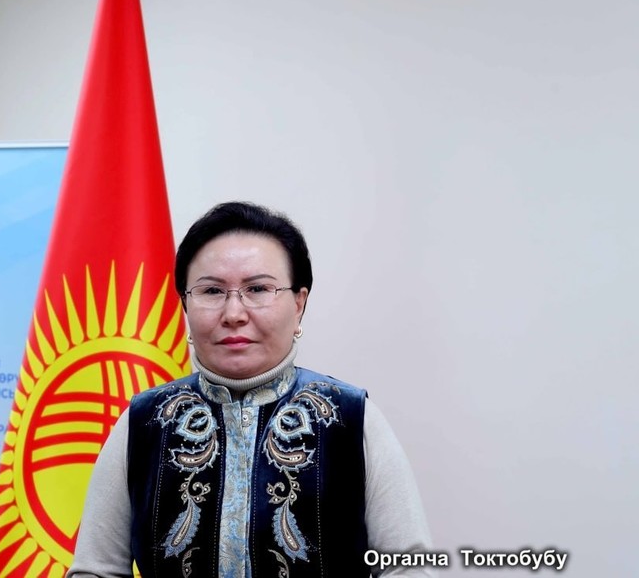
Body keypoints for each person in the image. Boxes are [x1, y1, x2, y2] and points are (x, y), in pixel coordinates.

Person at [67, 202, 433, 577]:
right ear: (185, 305)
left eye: (258, 288)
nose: (234, 314)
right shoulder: (145, 422)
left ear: (299, 303)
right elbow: (96, 570)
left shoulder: (350, 418)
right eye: (212, 291)